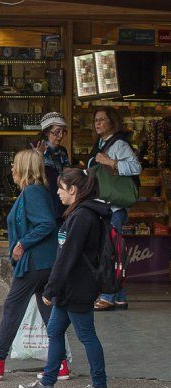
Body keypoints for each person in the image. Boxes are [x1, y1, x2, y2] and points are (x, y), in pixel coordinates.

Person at [0, 150, 65, 381]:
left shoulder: (32, 192)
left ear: (24, 168)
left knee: (12, 307)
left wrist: (22, 243)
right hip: (43, 262)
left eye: (15, 165)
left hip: (34, 263)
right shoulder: (34, 191)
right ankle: (60, 364)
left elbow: (46, 224)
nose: (11, 168)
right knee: (49, 311)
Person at [19, 168, 111, 388]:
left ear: (73, 189)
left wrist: (51, 289)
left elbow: (67, 256)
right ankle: (47, 382)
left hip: (77, 286)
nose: (58, 192)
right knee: (55, 330)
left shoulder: (83, 216)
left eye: (61, 187)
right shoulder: (83, 213)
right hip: (73, 285)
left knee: (86, 334)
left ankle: (99, 385)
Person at [87, 107, 141, 311]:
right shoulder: (100, 143)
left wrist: (110, 162)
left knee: (109, 251)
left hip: (115, 208)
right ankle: (119, 296)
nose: (97, 123)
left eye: (102, 119)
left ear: (112, 122)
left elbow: (136, 167)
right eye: (95, 120)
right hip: (104, 206)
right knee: (114, 251)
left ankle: (108, 295)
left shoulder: (118, 144)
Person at [33, 112, 70, 225]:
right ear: (47, 131)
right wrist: (38, 156)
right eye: (57, 131)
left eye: (63, 131)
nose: (60, 136)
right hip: (44, 199)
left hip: (60, 198)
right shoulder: (35, 148)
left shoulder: (62, 151)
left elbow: (66, 173)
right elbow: (32, 175)